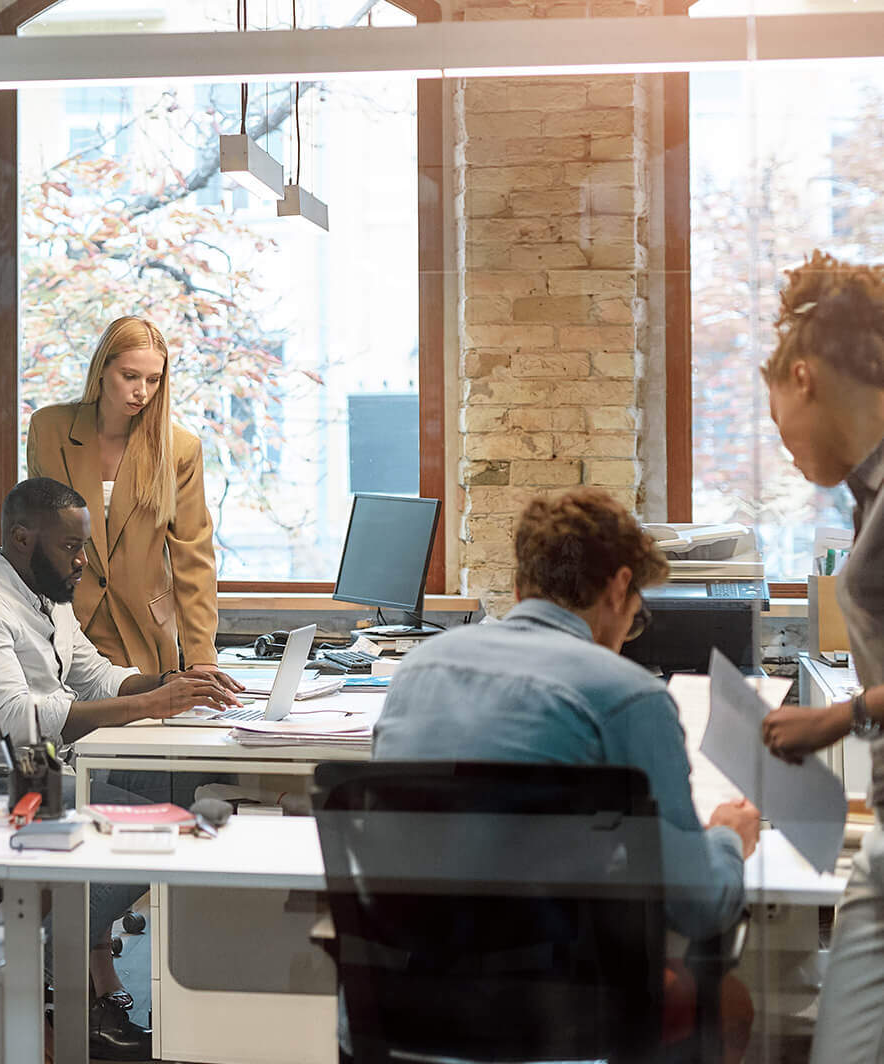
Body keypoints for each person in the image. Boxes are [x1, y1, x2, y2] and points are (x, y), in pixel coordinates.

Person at [373, 487, 759, 1063]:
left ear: (521, 588)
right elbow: (696, 905)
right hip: (562, 1016)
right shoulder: (627, 694)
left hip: (409, 1001)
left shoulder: (417, 670)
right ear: (620, 587)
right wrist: (729, 837)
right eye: (636, 612)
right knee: (730, 1000)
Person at [0, 477, 242, 1061]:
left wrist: (170, 683)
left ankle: (90, 968)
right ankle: (35, 964)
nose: (83, 561)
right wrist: (146, 707)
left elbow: (93, 673)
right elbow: (18, 722)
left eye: (84, 547)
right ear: (23, 539)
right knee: (156, 824)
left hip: (41, 765)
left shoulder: (49, 596)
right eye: (71, 547)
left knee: (182, 783)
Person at [759, 251, 884, 1063]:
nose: (787, 450)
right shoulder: (871, 492)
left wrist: (841, 717)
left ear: (804, 379)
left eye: (779, 424)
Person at [26, 316, 224, 679]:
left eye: (153, 380)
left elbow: (193, 559)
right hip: (63, 627)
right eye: (130, 377)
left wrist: (202, 658)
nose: (142, 392)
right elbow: (34, 539)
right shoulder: (49, 429)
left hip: (144, 634)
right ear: (102, 369)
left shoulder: (179, 449)